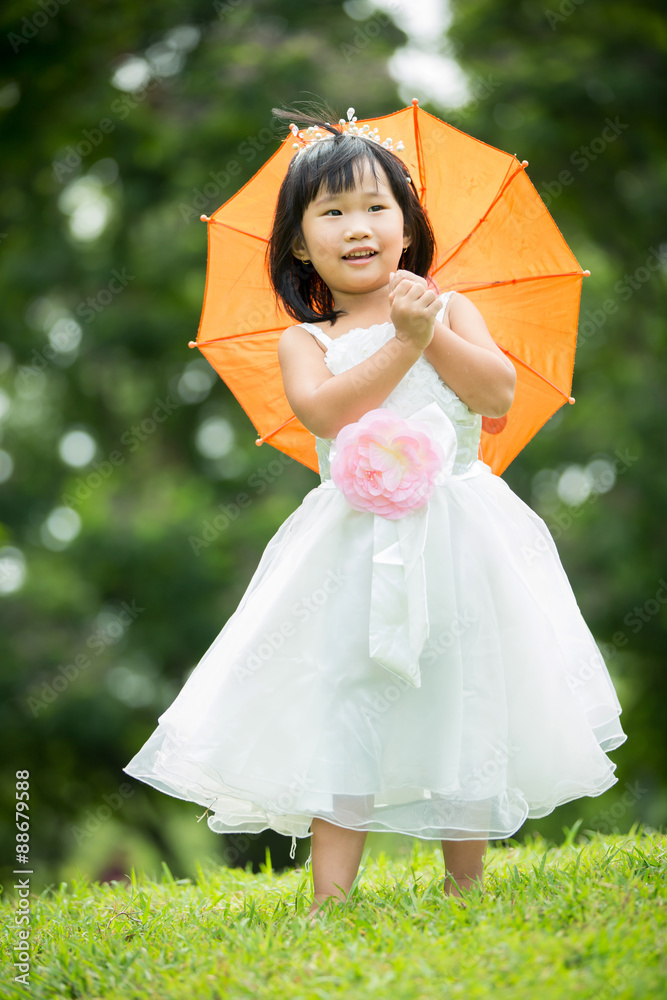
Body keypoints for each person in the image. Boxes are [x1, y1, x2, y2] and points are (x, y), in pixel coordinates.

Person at [123, 105, 627, 922]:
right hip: (352, 545)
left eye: (374, 207)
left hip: (459, 530)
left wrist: (428, 330)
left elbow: (494, 393)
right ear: (299, 244)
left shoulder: (449, 310)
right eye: (331, 212)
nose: (356, 226)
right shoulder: (305, 340)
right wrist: (400, 342)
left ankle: (465, 885)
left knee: (467, 687)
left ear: (406, 226)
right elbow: (325, 414)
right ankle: (329, 898)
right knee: (346, 697)